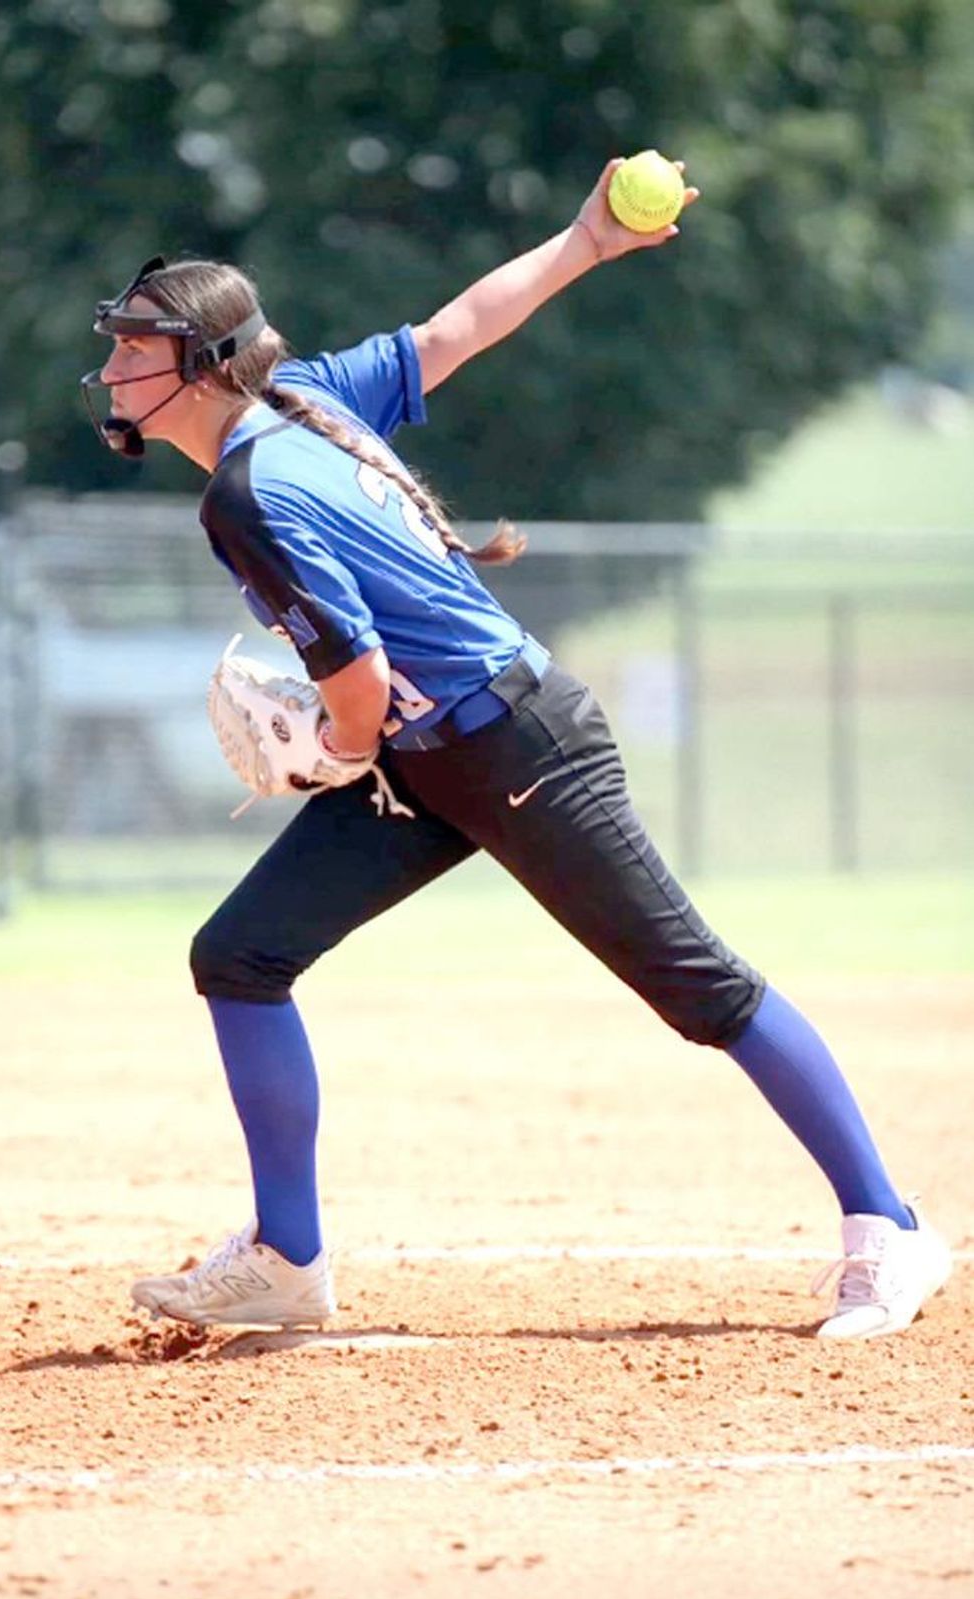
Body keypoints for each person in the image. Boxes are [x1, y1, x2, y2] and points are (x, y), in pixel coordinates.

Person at [82, 157, 951, 1342]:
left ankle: (888, 1226)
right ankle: (288, 1257)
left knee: (702, 989)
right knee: (240, 954)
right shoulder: (308, 403)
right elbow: (457, 329)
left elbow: (361, 687)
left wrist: (323, 755)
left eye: (138, 345)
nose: (116, 363)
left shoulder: (249, 487)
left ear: (199, 365)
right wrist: (585, 240)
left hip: (515, 742)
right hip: (434, 758)